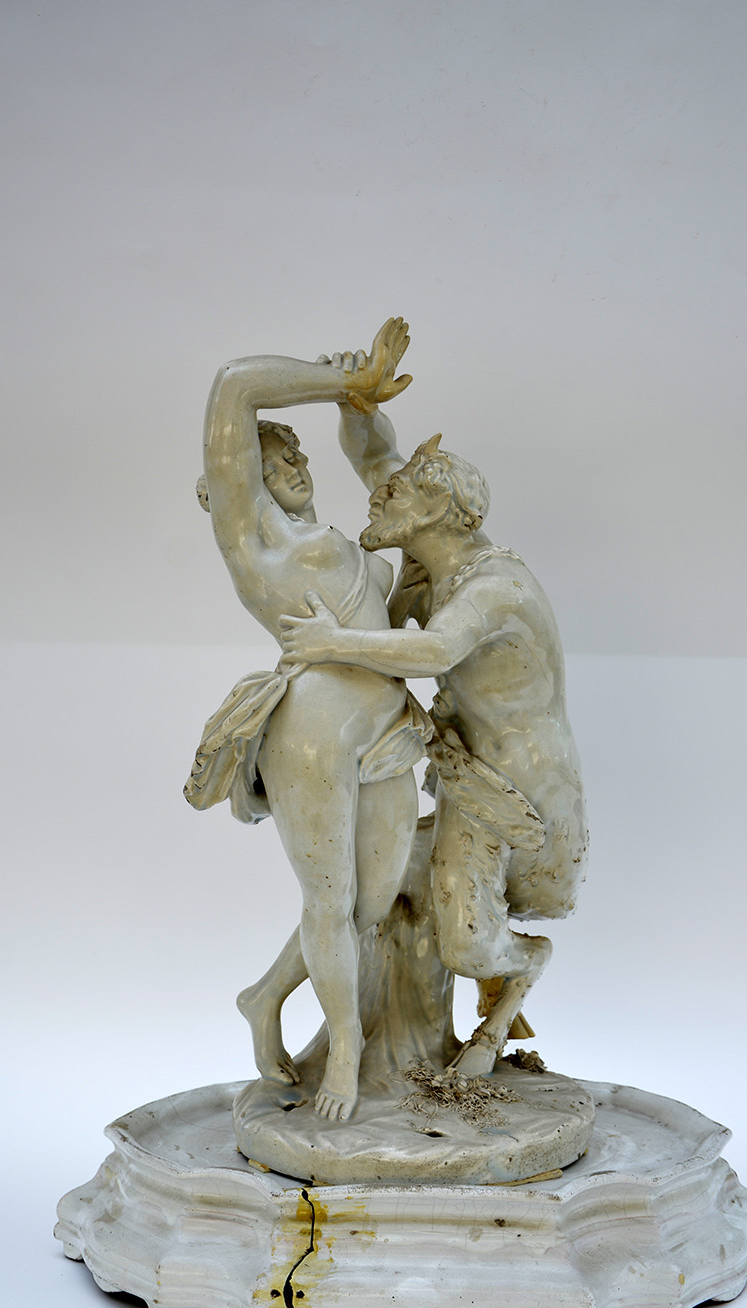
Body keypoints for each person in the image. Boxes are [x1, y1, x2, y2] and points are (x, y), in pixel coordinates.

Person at [280, 412, 588, 1075]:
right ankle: (386, 1041)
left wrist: (331, 642)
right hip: (459, 768)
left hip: (515, 786)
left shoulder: (494, 587)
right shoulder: (432, 546)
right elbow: (377, 455)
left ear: (434, 508)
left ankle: (524, 967)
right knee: (383, 891)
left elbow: (436, 650)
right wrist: (356, 405)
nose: (378, 498)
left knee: (468, 946)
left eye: (395, 494)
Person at [186, 319, 424, 1121]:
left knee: (369, 905)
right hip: (313, 732)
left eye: (296, 456)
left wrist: (361, 406)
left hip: (388, 724)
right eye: (273, 461)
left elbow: (380, 461)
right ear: (238, 485)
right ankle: (345, 1051)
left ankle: (264, 996)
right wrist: (339, 381)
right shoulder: (255, 542)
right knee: (330, 901)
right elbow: (237, 386)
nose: (294, 467)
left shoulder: (342, 543)